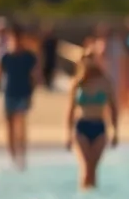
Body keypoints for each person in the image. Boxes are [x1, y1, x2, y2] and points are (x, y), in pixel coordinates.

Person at [65, 48, 118, 190]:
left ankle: (93, 198)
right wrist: (68, 134)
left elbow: (113, 108)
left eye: (91, 58)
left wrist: (115, 131)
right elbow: (70, 110)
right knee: (85, 167)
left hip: (99, 126)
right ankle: (83, 195)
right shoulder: (77, 83)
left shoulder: (105, 81)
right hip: (82, 126)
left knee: (93, 169)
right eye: (86, 58)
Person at [0, 24, 40, 171]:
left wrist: (32, 92)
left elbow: (35, 76)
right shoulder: (5, 56)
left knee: (21, 125)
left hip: (23, 93)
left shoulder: (29, 57)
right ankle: (12, 156)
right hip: (8, 93)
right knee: (9, 126)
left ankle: (22, 155)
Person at [39, 22, 59, 91]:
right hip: (46, 58)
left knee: (50, 71)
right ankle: (46, 84)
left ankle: (49, 84)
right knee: (46, 71)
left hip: (51, 58)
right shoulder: (45, 40)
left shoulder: (53, 40)